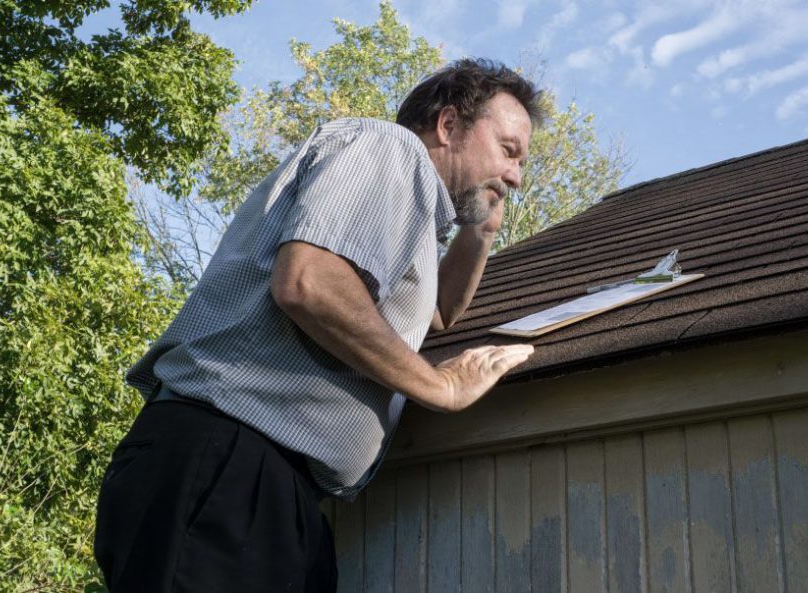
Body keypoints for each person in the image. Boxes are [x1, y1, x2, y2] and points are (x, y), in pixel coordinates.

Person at [94, 58, 543, 592]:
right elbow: (310, 283)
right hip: (229, 467)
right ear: (448, 126)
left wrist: (481, 232)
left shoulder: (413, 210)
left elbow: (439, 312)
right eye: (508, 151)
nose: (515, 175)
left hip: (274, 489)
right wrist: (439, 385)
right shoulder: (388, 149)